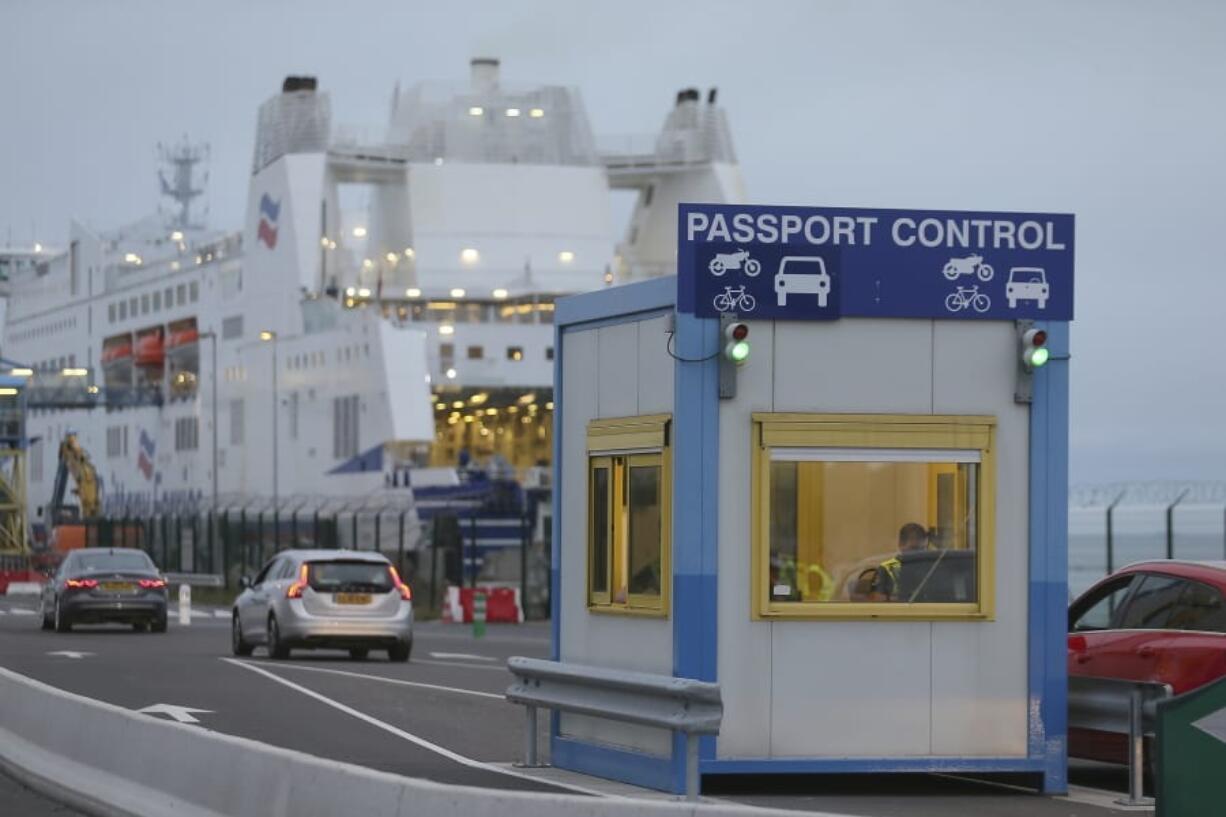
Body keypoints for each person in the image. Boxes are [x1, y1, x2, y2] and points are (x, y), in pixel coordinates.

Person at [871, 522, 929, 601]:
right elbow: (877, 598)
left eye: (923, 549)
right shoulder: (887, 568)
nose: (919, 554)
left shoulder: (932, 567)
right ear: (900, 545)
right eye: (914, 549)